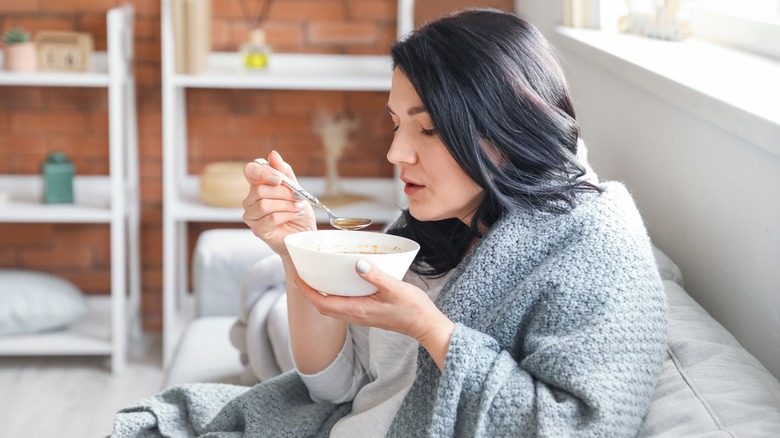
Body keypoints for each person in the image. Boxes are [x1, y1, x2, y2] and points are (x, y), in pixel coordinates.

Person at [112, 8, 666, 437]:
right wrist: (297, 249)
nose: (396, 153)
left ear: (509, 127)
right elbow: (335, 386)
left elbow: (579, 426)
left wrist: (430, 329)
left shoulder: (593, 244)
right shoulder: (445, 218)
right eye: (395, 124)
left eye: (425, 130)